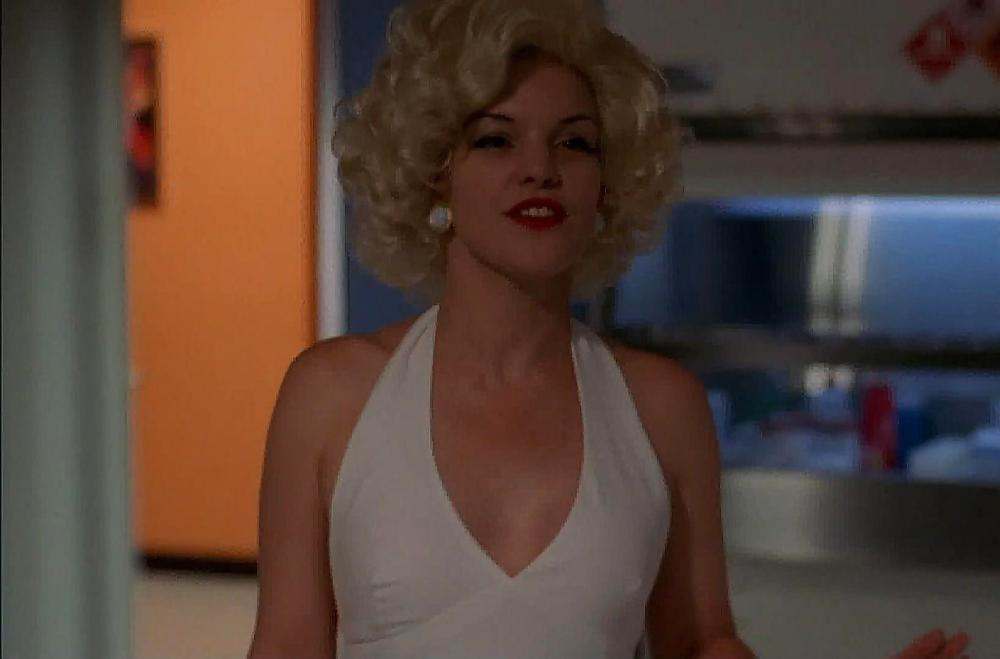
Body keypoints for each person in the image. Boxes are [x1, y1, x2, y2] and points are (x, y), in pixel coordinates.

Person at [247, 1, 971, 657]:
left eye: (574, 143)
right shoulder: (331, 395)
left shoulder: (661, 405)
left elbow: (700, 641)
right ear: (435, 173)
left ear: (608, 184)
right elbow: (286, 646)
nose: (540, 169)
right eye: (496, 141)